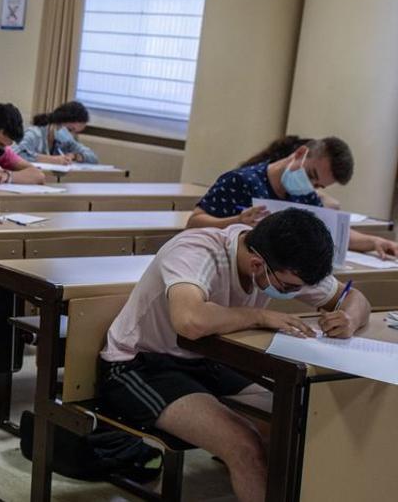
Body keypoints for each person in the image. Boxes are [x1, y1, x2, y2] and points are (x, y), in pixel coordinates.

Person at [99, 208, 370, 502]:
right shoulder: (198, 250)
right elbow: (190, 321)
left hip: (209, 359)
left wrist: (349, 318)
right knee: (244, 446)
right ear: (256, 264)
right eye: (289, 288)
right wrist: (259, 316)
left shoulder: (284, 264)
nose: (296, 293)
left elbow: (355, 298)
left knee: (293, 426)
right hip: (141, 365)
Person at [188, 136, 398, 258]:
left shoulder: (306, 196)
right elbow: (194, 223)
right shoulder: (242, 181)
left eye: (318, 185)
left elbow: (332, 232)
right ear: (299, 154)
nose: (311, 186)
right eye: (310, 175)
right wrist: (237, 220)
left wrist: (374, 241)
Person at [15, 101, 99, 165]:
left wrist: (75, 156)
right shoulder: (34, 134)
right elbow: (17, 155)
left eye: (75, 132)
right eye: (70, 129)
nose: (71, 135)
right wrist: (53, 160)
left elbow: (93, 158)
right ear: (59, 121)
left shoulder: (66, 142)